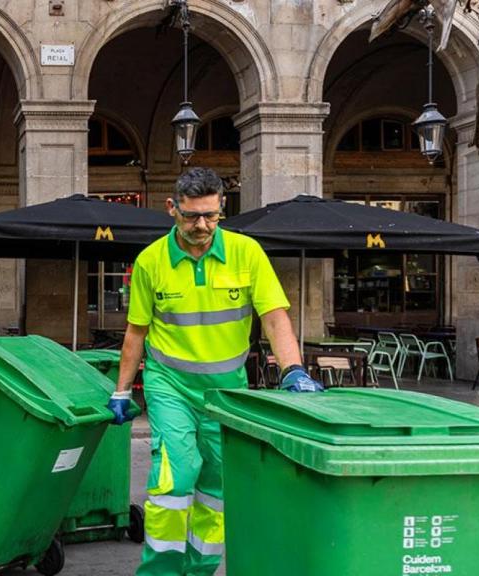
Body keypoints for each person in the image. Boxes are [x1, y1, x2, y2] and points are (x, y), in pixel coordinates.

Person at [106, 168, 322, 576]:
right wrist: (121, 390)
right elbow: (136, 331)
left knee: (217, 488)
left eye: (210, 215)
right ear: (172, 209)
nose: (201, 225)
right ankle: (160, 572)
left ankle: (200, 569)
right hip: (171, 385)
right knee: (176, 477)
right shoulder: (151, 261)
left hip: (226, 393)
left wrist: (293, 369)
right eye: (191, 216)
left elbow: (274, 318)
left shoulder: (247, 253)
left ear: (222, 208)